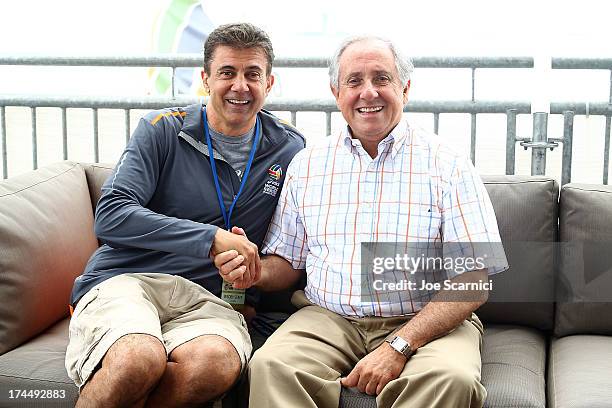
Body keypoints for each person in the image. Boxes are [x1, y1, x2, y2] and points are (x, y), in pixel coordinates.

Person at [213, 36, 508, 408]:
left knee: (451, 379)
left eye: (382, 79)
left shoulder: (447, 164)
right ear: (336, 92)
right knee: (271, 366)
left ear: (405, 88)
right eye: (354, 81)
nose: (368, 93)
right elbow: (288, 263)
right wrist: (252, 271)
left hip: (425, 319)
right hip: (328, 318)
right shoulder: (307, 165)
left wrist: (399, 345)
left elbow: (472, 282)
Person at [65, 22, 304, 407]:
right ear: (206, 79)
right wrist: (210, 239)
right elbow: (111, 214)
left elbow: (293, 251)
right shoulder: (161, 129)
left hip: (211, 301)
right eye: (227, 72)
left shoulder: (290, 149)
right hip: (128, 280)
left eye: (252, 74)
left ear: (270, 83)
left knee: (213, 366)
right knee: (136, 359)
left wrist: (251, 274)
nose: (240, 86)